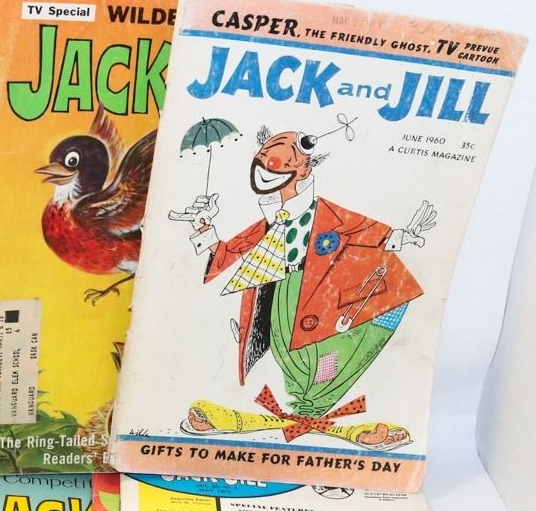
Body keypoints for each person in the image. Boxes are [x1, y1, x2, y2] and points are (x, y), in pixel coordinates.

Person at [171, 126, 436, 449]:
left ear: (304, 171)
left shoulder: (324, 213)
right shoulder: (269, 220)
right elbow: (228, 253)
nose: (267, 172)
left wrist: (405, 235)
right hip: (279, 290)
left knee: (322, 357)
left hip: (317, 292)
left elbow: (364, 230)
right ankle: (303, 419)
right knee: (285, 352)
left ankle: (309, 414)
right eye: (263, 164)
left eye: (277, 166)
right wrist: (204, 228)